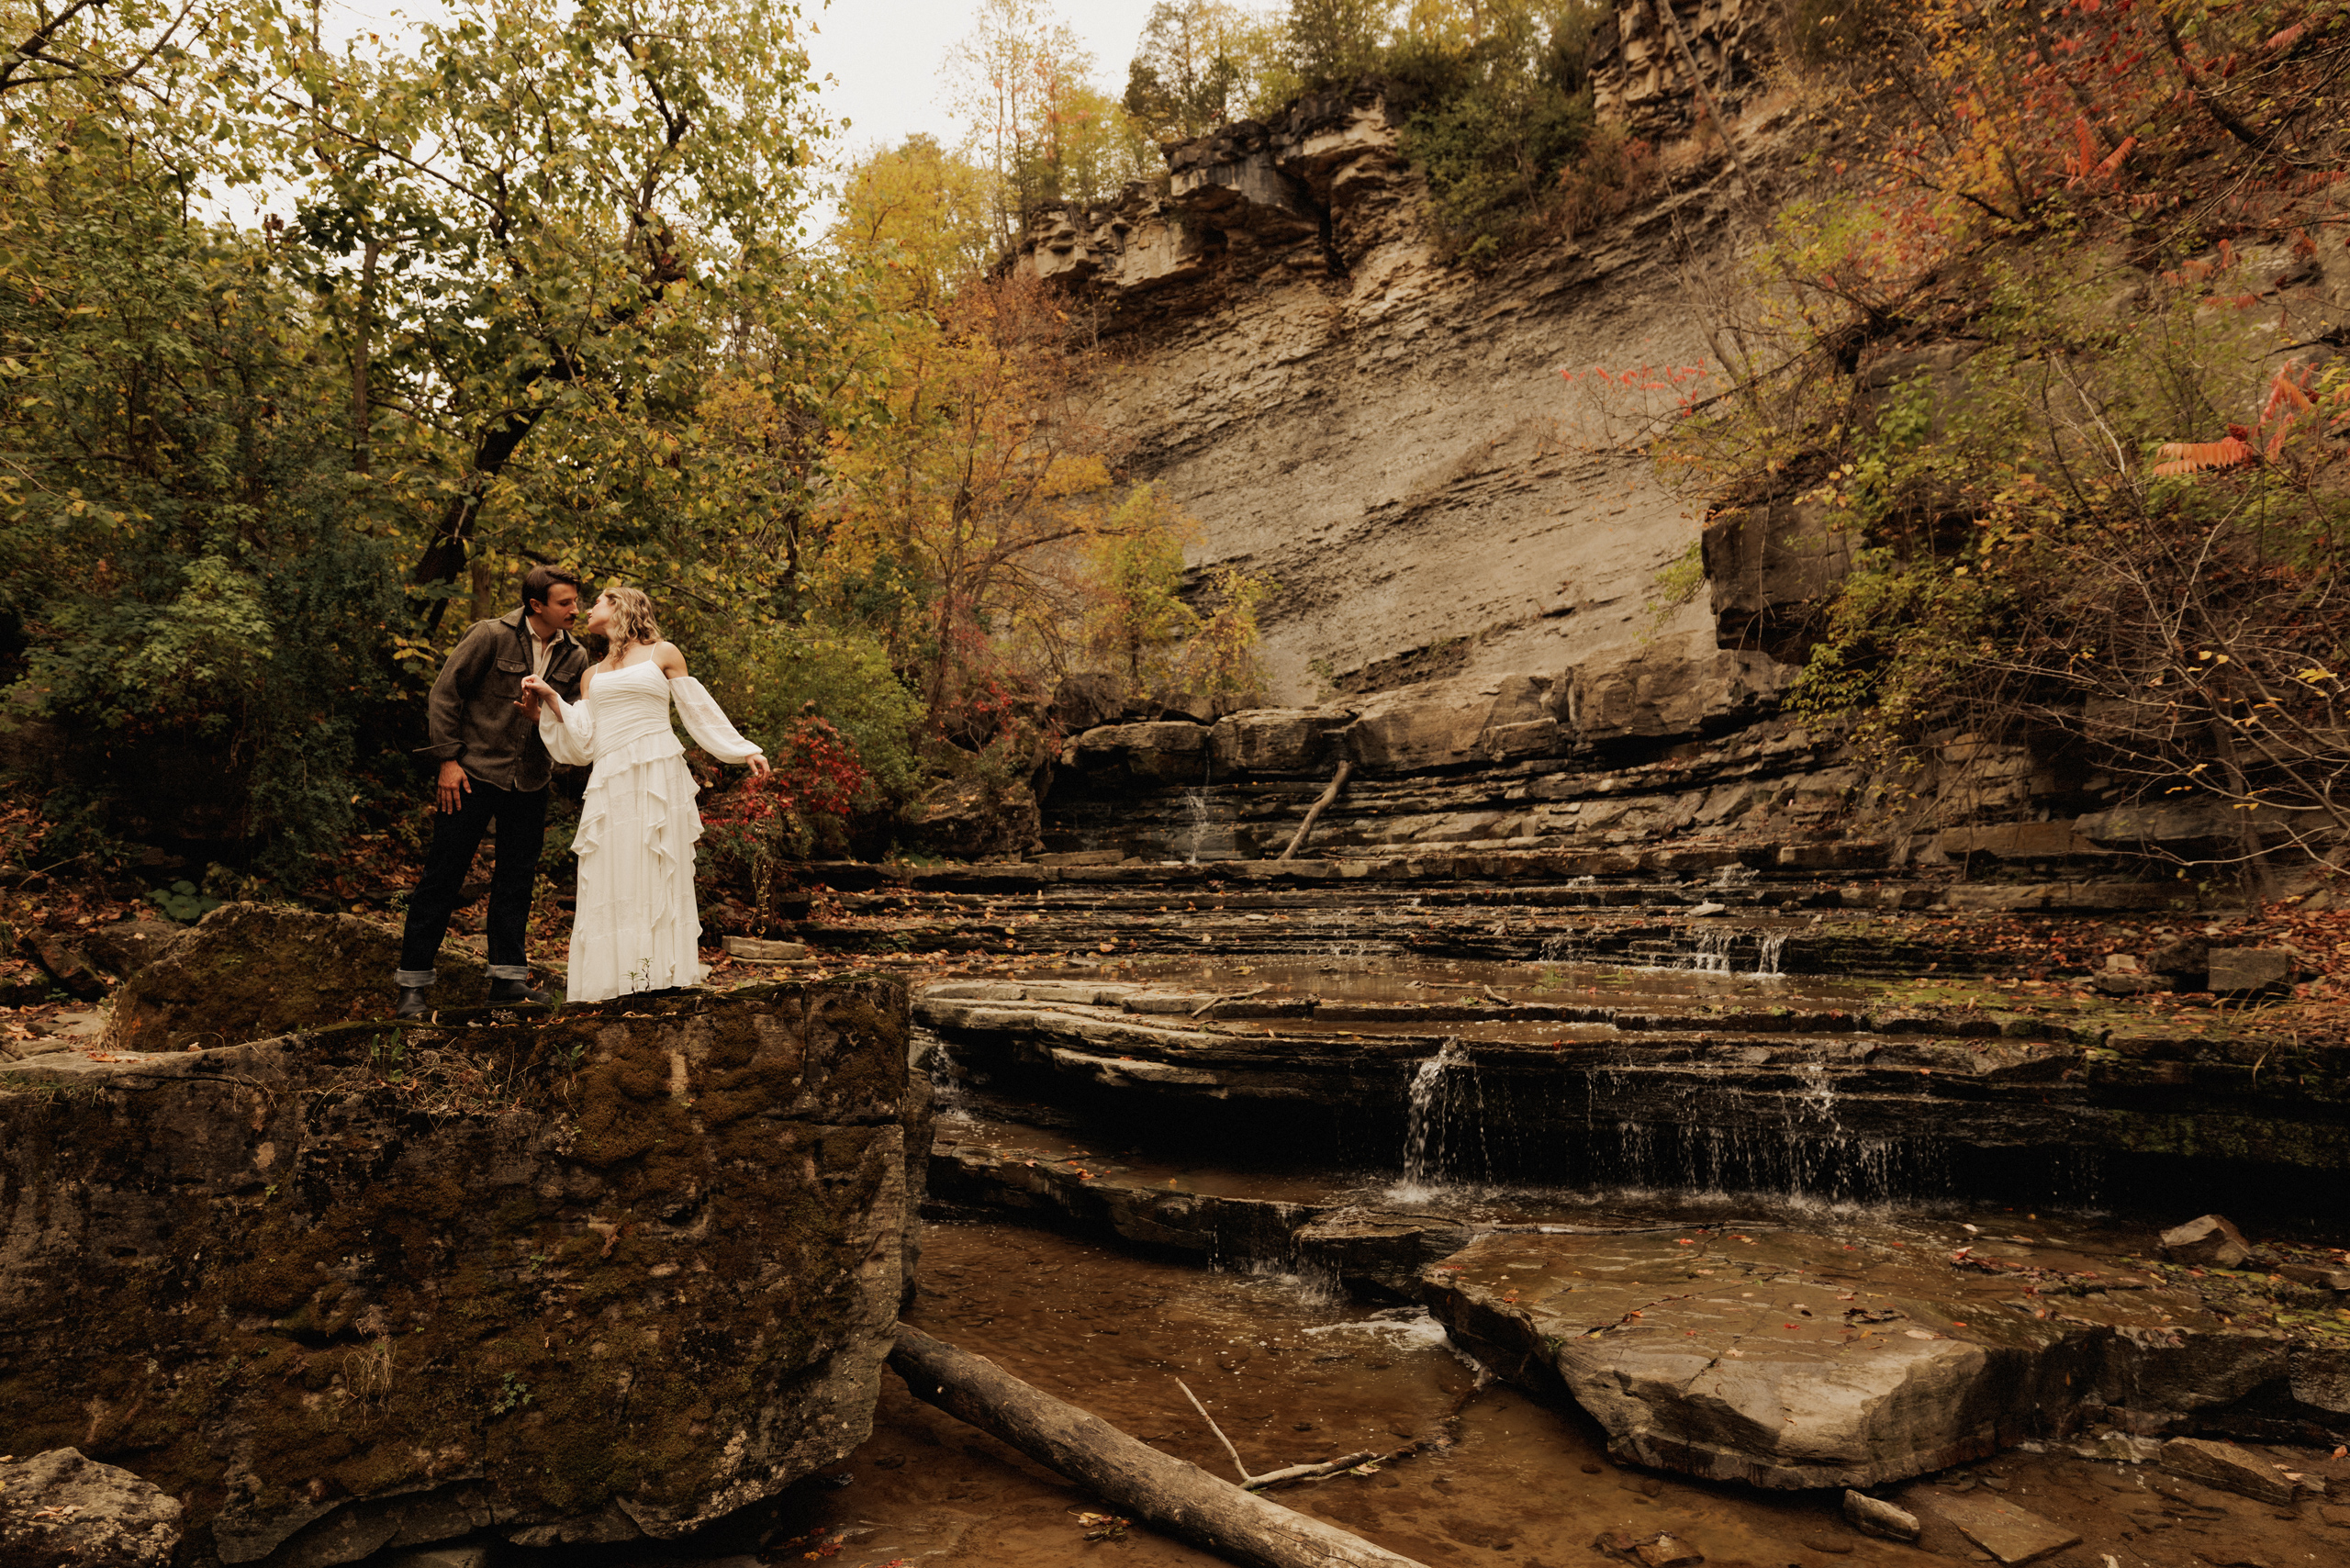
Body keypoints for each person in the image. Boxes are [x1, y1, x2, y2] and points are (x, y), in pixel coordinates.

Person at [520, 586, 768, 1003]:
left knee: (655, 865)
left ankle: (659, 978)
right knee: (612, 868)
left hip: (656, 771)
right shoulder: (591, 674)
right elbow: (584, 742)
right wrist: (551, 702)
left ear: (620, 606)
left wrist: (742, 749)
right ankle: (611, 984)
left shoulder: (663, 653)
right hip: (611, 777)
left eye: (597, 601)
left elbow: (697, 709)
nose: (586, 608)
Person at [394, 565, 591, 1018]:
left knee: (516, 881)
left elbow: (571, 720)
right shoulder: (490, 635)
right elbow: (445, 695)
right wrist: (447, 761)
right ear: (536, 605)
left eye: (577, 601)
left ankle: (507, 981)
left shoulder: (575, 656)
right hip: (472, 775)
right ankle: (412, 987)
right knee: (443, 876)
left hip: (531, 780)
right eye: (565, 603)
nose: (574, 610)